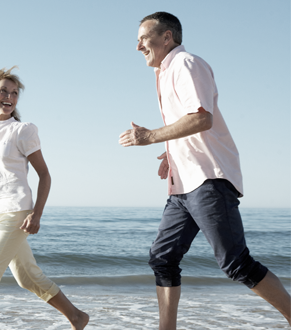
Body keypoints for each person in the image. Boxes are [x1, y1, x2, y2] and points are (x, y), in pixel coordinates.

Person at [120, 11, 291, 329]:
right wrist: (170, 151)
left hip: (207, 179)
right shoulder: (164, 73)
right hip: (183, 184)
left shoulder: (186, 64)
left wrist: (150, 136)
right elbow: (191, 124)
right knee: (162, 258)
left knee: (236, 263)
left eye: (143, 38)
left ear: (167, 37)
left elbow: (202, 117)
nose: (138, 46)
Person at [0, 67, 88, 330]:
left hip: (18, 211)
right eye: (3, 91)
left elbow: (45, 175)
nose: (8, 97)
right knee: (27, 277)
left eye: (14, 93)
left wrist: (37, 213)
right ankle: (76, 316)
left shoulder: (23, 131)